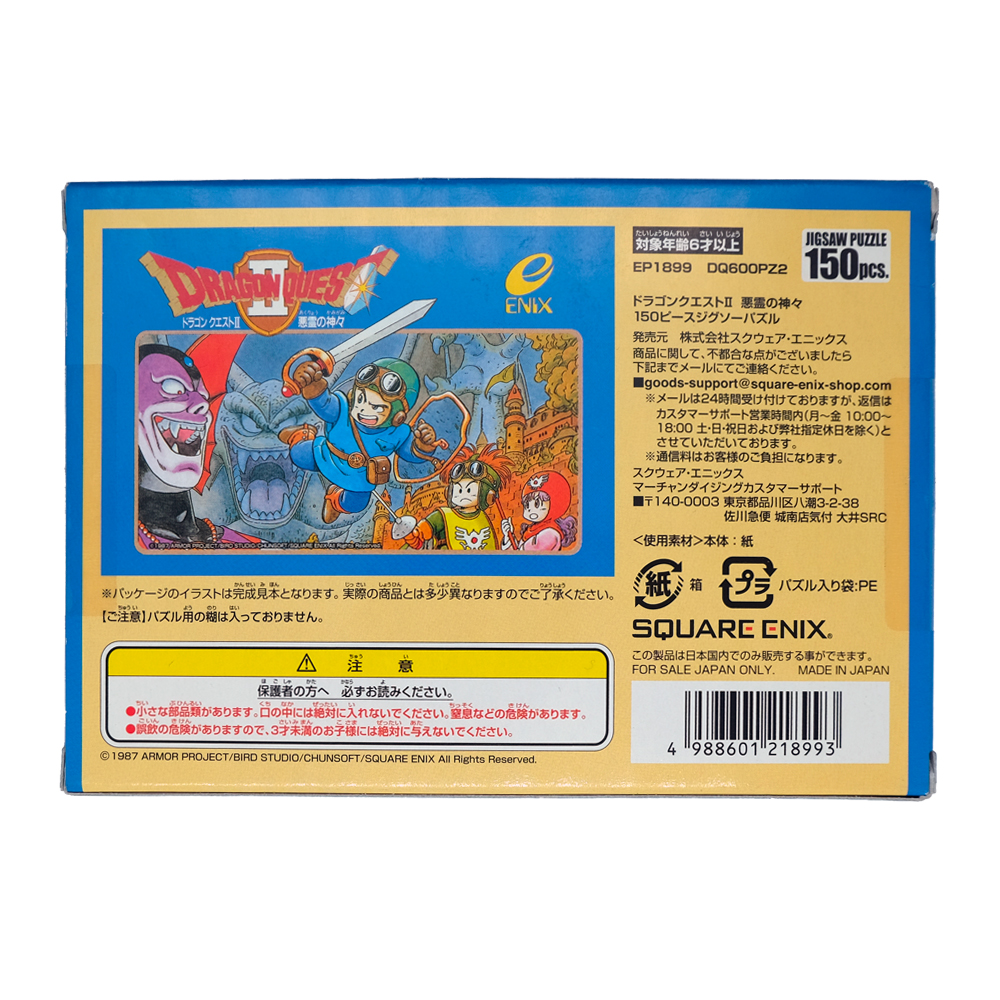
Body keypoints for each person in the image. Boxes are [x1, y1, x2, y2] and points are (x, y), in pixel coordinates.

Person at [279, 356, 439, 523]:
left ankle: (335, 501)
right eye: (361, 399)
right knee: (298, 455)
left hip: (359, 477)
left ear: (397, 416)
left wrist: (424, 445)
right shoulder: (343, 410)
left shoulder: (397, 433)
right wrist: (312, 385)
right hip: (327, 456)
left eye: (376, 407)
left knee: (356, 504)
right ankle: (302, 434)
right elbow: (325, 405)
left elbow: (411, 453)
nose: (364, 410)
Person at [136, 343, 258, 548]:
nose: (201, 404)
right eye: (171, 387)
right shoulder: (114, 542)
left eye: (203, 395)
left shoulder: (244, 545)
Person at [402, 445, 512, 550]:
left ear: (487, 496)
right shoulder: (442, 515)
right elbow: (422, 533)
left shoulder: (483, 519)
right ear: (449, 492)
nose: (463, 494)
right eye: (459, 489)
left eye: (469, 490)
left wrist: (506, 540)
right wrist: (415, 536)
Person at [501, 470, 577, 552]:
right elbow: (514, 554)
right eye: (527, 505)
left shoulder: (550, 533)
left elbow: (524, 555)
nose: (530, 509)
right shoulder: (531, 531)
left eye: (537, 504)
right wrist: (508, 536)